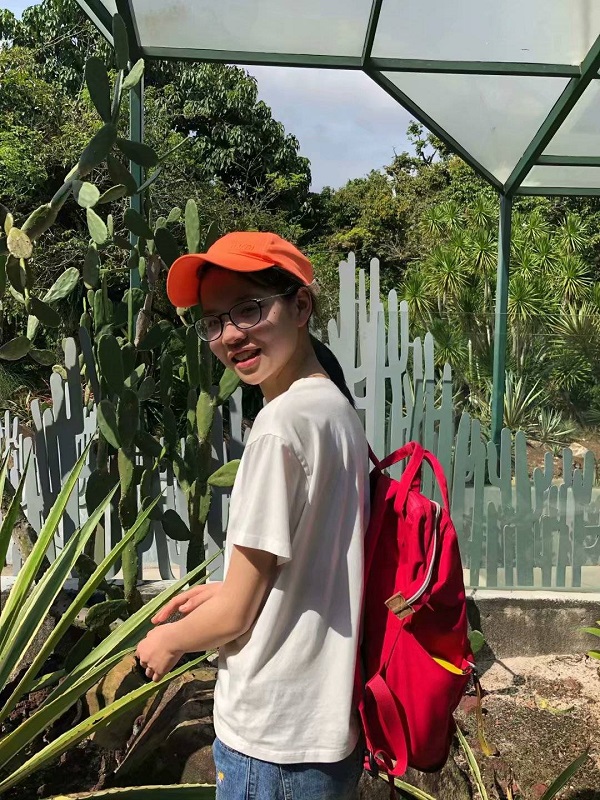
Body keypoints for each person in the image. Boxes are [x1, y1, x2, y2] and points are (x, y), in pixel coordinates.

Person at [136, 231, 370, 800]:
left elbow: (236, 616)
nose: (230, 335)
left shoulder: (278, 428)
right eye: (214, 321)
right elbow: (313, 564)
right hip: (325, 728)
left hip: (271, 740)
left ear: (301, 305)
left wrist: (168, 642)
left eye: (249, 309)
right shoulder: (335, 409)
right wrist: (229, 589)